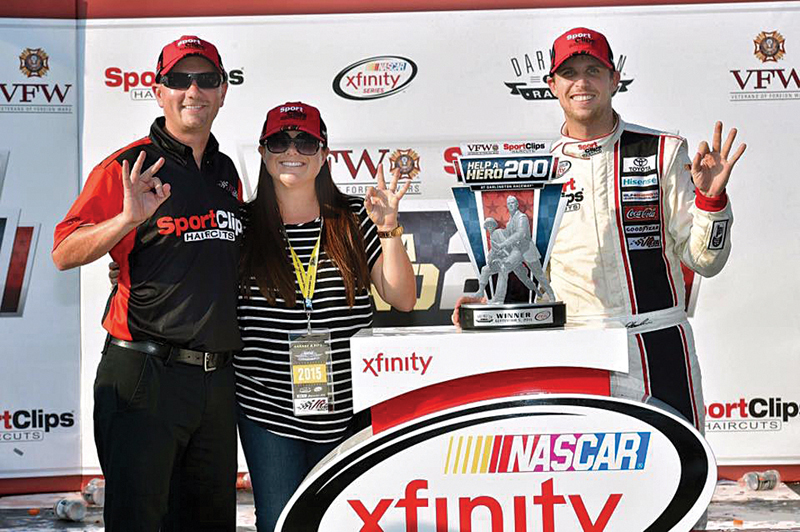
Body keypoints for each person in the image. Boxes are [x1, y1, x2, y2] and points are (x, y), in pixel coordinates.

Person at [455, 27, 745, 435]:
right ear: (552, 85)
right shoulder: (539, 171)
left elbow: (705, 262)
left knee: (680, 474)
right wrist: (487, 305)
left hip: (657, 341)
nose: (582, 82)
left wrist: (711, 203)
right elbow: (529, 279)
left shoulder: (663, 150)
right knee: (586, 486)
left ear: (614, 79)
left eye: (593, 69)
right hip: (575, 349)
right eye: (570, 72)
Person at [52, 36, 241, 531]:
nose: (192, 90)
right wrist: (124, 220)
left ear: (224, 91)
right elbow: (62, 252)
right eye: (179, 79)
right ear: (158, 91)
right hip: (143, 376)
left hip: (216, 382)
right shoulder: (129, 166)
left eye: (205, 79)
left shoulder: (226, 172)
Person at [235, 102, 416, 531]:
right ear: (263, 152)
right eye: (279, 140)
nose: (291, 150)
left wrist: (389, 228)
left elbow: (402, 297)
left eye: (305, 141)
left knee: (342, 522)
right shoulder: (241, 225)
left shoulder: (354, 218)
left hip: (348, 410)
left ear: (323, 153)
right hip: (268, 409)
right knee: (280, 523)